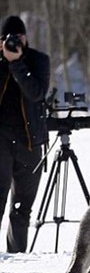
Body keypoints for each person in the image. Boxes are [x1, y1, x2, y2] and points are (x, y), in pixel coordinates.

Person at [0, 15, 50, 253]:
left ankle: (17, 257)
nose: (14, 41)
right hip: (1, 142)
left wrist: (17, 64)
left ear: (26, 36)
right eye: (7, 38)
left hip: (30, 144)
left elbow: (36, 93)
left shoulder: (38, 61)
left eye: (18, 36)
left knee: (22, 208)